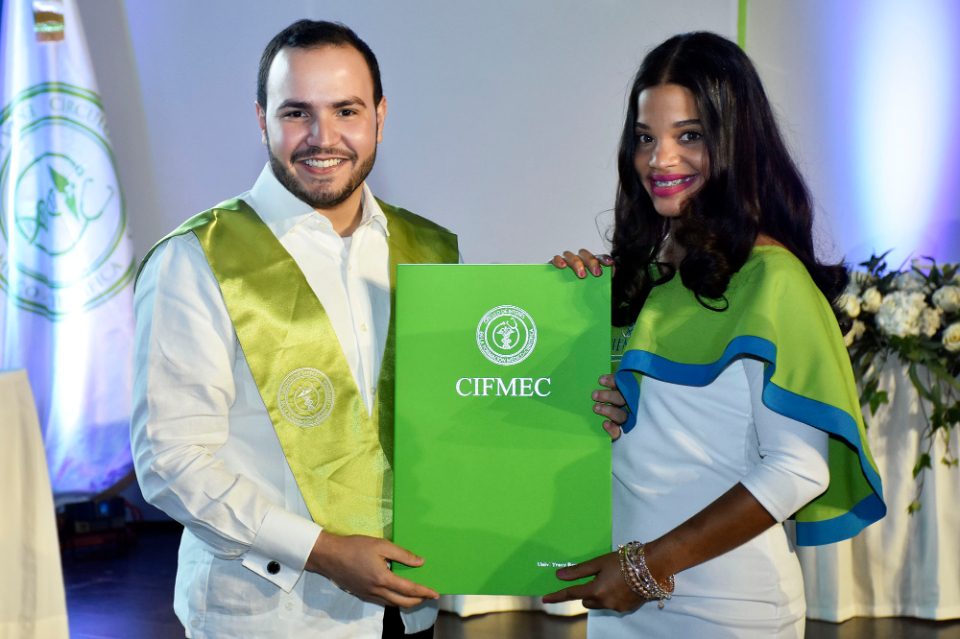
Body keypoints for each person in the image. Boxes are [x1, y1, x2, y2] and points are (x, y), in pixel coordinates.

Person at [543, 32, 885, 638]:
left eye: (689, 135)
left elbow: (800, 468)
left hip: (727, 610)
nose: (659, 159)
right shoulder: (640, 276)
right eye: (645, 138)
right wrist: (568, 312)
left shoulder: (773, 279)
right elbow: (652, 439)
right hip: (621, 604)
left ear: (734, 141)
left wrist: (648, 567)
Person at [130, 20, 458, 639]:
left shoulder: (429, 250)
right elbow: (170, 459)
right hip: (271, 616)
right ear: (262, 120)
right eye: (296, 112)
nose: (322, 137)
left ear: (380, 116)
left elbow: (455, 415)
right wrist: (322, 551)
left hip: (410, 610)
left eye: (346, 110)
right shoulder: (196, 258)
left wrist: (566, 314)